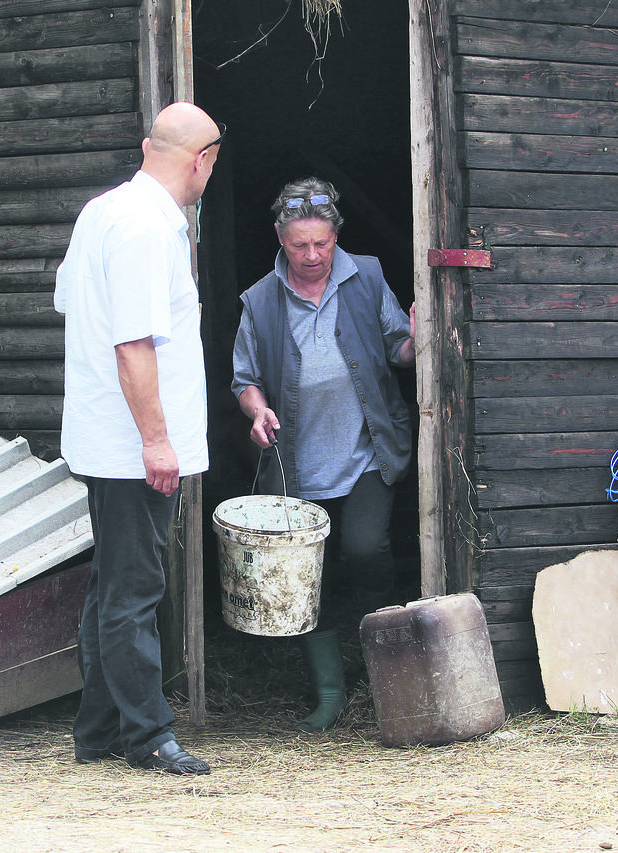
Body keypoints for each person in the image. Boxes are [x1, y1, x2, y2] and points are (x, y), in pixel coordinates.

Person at [54, 101, 223, 774]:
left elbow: (71, 303)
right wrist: (156, 439)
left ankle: (97, 730)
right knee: (134, 592)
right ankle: (148, 734)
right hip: (132, 445)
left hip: (105, 435)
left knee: (111, 586)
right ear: (201, 160)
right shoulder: (149, 230)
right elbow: (133, 344)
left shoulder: (102, 211)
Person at [231, 177, 416, 732]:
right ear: (280, 240)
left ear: (336, 236)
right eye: (299, 245)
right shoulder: (259, 301)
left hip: (365, 456)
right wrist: (257, 411)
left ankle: (382, 673)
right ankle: (331, 694)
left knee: (364, 552)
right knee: (306, 580)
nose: (312, 256)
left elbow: (399, 351)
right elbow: (244, 380)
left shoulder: (367, 276)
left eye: (322, 244)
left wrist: (422, 331)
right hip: (296, 467)